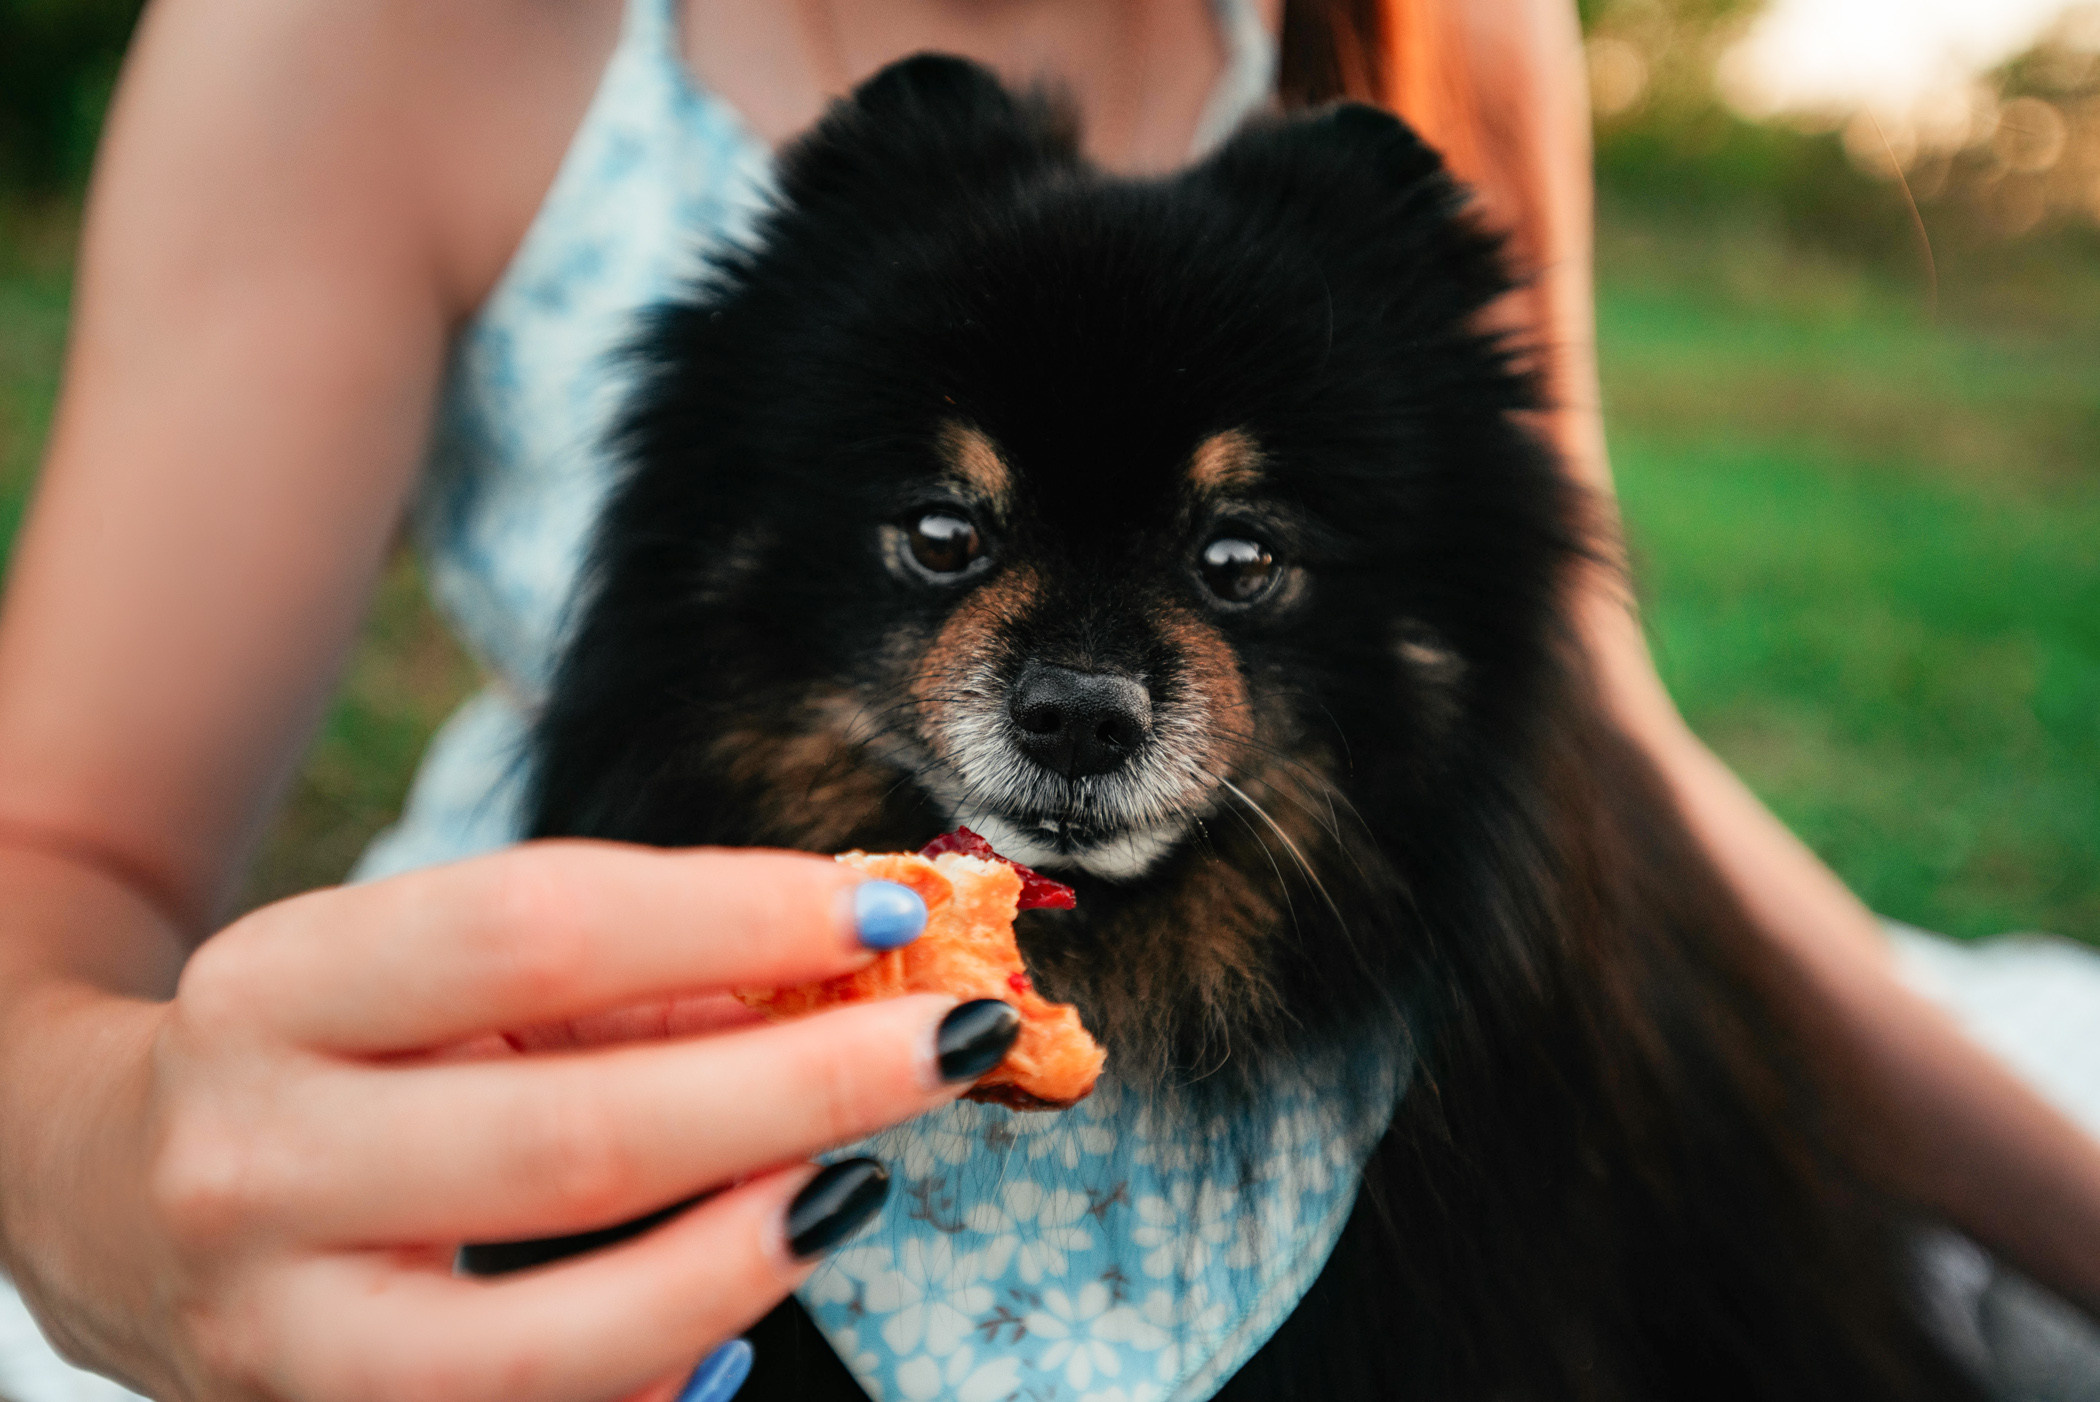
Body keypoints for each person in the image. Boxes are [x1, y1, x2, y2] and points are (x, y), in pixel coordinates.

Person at [0, 1, 2094, 1399]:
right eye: (946, 541)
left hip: (1398, 1106)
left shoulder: (1436, 22)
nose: (1087, 682)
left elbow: (1589, 726)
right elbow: (55, 858)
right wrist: (114, 1179)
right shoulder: (375, 39)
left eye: (1238, 567)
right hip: (585, 1043)